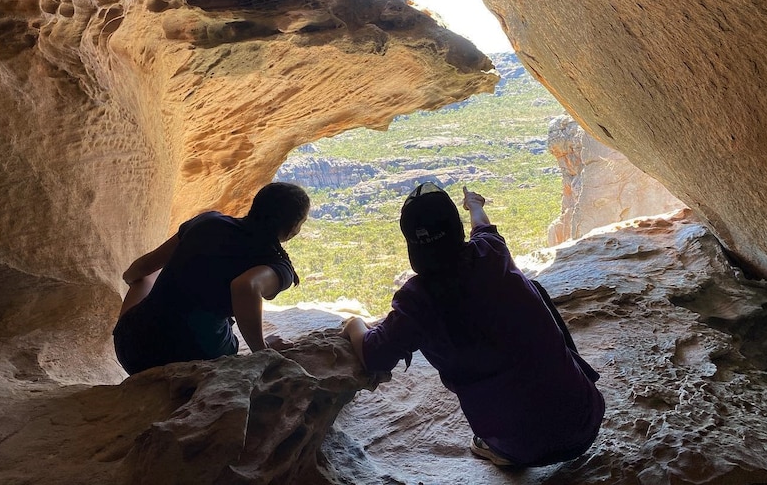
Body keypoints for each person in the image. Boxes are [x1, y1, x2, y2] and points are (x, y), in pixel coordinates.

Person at [342, 182, 605, 468]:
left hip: (522, 448)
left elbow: (374, 355)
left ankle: (499, 450)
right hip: (586, 419)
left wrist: (354, 322)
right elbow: (483, 228)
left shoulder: (417, 301)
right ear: (456, 229)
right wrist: (475, 205)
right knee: (534, 288)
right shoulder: (491, 253)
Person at [113, 182, 310, 375]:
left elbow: (143, 268)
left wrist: (130, 279)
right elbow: (245, 286)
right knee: (218, 332)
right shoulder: (278, 265)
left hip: (132, 349)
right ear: (293, 228)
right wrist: (263, 350)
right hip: (194, 360)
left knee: (147, 276)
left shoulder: (208, 221)